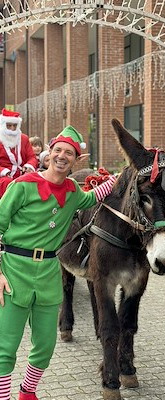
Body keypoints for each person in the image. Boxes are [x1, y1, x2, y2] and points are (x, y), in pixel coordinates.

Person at [0, 125, 116, 400]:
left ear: (77, 160)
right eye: (59, 151)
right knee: (5, 347)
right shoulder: (23, 186)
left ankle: (28, 392)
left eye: (70, 153)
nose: (62, 156)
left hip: (49, 272)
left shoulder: (73, 190)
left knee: (45, 346)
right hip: (14, 271)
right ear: (49, 154)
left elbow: (91, 197)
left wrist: (118, 180)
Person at [0, 109, 38, 197]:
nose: (12, 129)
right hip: (3, 177)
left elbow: (32, 157)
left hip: (22, 173)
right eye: (9, 126)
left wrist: (28, 166)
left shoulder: (24, 139)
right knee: (7, 183)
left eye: (15, 126)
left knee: (35, 180)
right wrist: (4, 172)